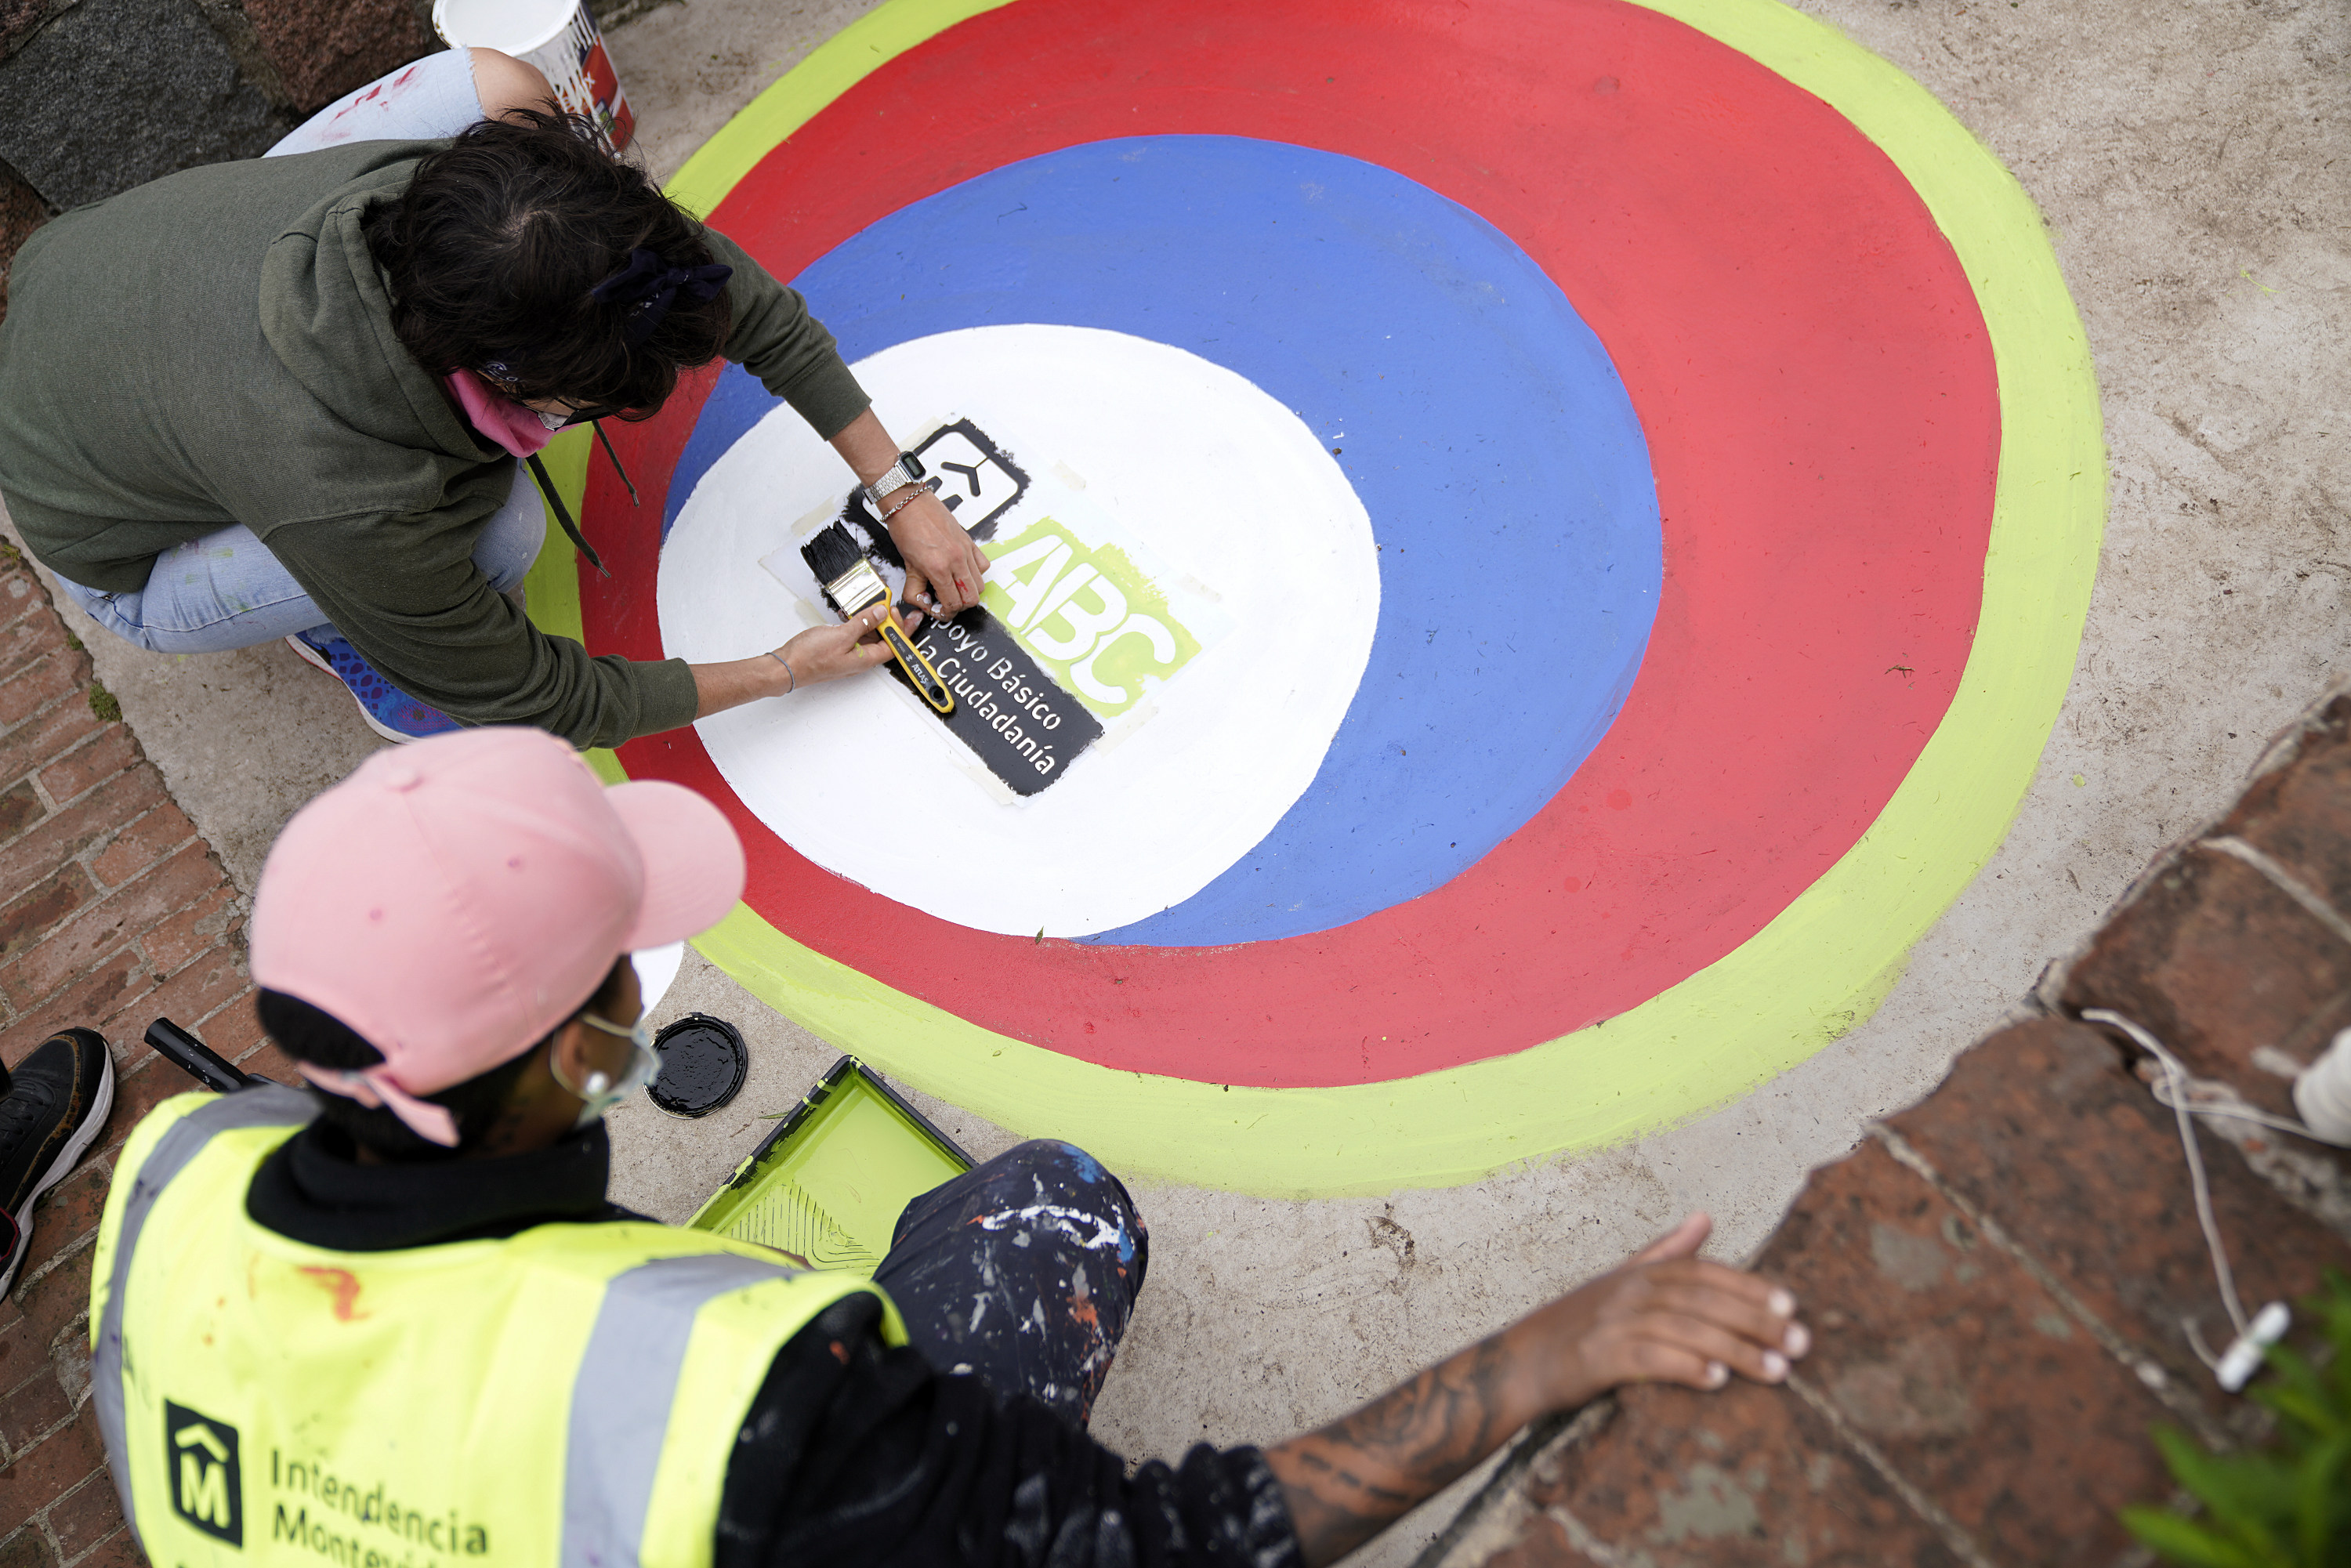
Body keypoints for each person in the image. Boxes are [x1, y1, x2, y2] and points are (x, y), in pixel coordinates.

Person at [89, 727, 1811, 1567]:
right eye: (619, 974)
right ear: (570, 1052)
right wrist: (1540, 1354)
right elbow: (1167, 1548)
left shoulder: (169, 1181)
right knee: (1049, 1212)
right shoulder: (741, 1390)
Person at [0, 49, 985, 743]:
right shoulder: (348, 491)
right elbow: (536, 694)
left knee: (502, 80)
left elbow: (737, 300)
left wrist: (901, 489)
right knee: (500, 536)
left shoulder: (477, 197)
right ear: (516, 376)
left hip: (118, 283)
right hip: (122, 552)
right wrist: (783, 671)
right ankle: (347, 635)